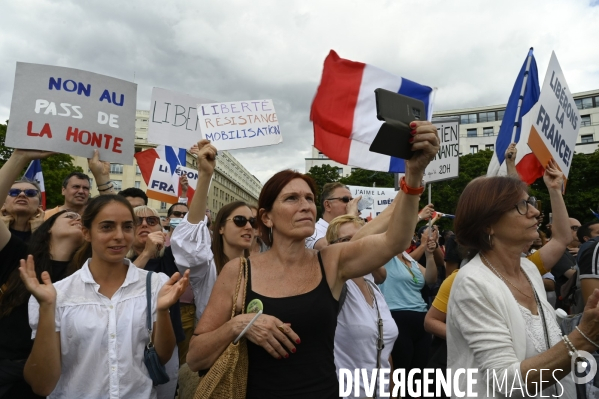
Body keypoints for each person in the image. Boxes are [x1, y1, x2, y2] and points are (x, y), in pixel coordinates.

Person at [186, 121, 439, 398]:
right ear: (267, 217)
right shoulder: (239, 271)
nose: (306, 205)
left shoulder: (331, 261)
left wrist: (413, 175)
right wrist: (242, 325)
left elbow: (395, 240)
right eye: (292, 198)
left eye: (309, 198)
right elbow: (196, 357)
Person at [446, 168, 599, 398]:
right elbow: (505, 382)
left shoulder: (528, 269)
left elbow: (561, 237)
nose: (535, 212)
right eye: (521, 206)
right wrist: (582, 338)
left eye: (531, 202)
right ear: (488, 224)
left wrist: (555, 190)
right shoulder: (472, 282)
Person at [22, 194, 189, 398]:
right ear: (86, 232)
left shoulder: (155, 284)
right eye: (107, 227)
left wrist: (162, 311)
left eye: (127, 226)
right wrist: (48, 309)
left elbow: (161, 357)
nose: (119, 235)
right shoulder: (57, 294)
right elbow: (41, 384)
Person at [0, 149, 83, 399]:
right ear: (48, 228)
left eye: (82, 220)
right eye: (69, 215)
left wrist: (102, 178)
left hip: (63, 374)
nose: (77, 219)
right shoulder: (21, 257)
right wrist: (20, 158)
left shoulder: (88, 272)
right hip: (8, 372)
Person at [326, 214, 398, 398]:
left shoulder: (374, 287)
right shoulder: (335, 288)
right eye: (347, 240)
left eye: (363, 240)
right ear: (332, 247)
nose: (358, 247)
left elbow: (383, 350)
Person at [127, 205, 186, 399]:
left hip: (165, 345)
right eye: (137, 222)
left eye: (151, 221)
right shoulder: (117, 258)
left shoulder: (171, 257)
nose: (144, 225)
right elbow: (121, 289)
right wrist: (145, 253)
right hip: (127, 343)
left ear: (161, 229)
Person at [378, 226, 437, 398]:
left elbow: (431, 279)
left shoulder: (408, 259)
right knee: (401, 374)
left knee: (419, 376)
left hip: (421, 320)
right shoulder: (384, 255)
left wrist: (429, 255)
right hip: (397, 319)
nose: (408, 236)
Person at [305, 182, 361, 250]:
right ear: (328, 205)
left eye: (351, 200)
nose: (351, 204)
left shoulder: (354, 226)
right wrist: (351, 215)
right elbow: (325, 247)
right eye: (345, 199)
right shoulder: (314, 231)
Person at [1, 177, 44, 242]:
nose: (22, 194)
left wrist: (38, 231)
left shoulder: (51, 232)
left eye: (31, 193)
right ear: (3, 204)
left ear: (39, 207)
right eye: (14, 192)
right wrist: (2, 229)